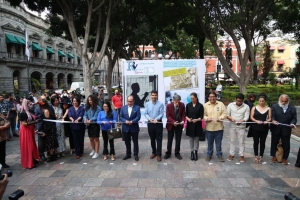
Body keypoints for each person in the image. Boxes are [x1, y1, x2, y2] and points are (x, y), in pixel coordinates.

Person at [270, 94, 297, 165]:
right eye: (282, 101)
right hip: (276, 127)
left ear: (288, 101)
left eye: (285, 101)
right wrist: (273, 120)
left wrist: (292, 123)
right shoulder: (275, 107)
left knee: (286, 143)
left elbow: (294, 118)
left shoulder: (292, 108)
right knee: (274, 142)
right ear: (279, 100)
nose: (283, 103)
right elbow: (272, 116)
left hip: (286, 128)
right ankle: (274, 156)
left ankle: (285, 158)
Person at [204, 92, 227, 162]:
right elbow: (203, 115)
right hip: (209, 128)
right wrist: (207, 118)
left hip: (219, 127)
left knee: (218, 143)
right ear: (208, 98)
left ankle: (219, 155)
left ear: (216, 97)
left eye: (213, 96)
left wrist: (221, 118)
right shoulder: (205, 105)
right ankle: (209, 155)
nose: (212, 98)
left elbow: (225, 113)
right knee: (209, 143)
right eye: (210, 97)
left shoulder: (221, 104)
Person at [226, 93, 250, 163]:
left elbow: (246, 117)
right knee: (232, 141)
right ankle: (231, 154)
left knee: (241, 142)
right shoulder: (230, 105)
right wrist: (231, 118)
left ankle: (241, 155)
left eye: (240, 101)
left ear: (243, 101)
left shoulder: (246, 107)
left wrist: (241, 121)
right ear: (235, 99)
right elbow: (227, 115)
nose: (239, 102)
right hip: (232, 126)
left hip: (241, 126)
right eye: (238, 101)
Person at [250, 95, 272, 164]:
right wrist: (256, 121)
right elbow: (251, 117)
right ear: (258, 101)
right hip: (255, 127)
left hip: (264, 128)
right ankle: (256, 155)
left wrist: (267, 121)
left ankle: (261, 156)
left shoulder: (268, 108)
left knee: (262, 142)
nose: (261, 102)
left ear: (265, 101)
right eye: (260, 101)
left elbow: (270, 118)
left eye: (263, 101)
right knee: (256, 142)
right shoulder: (254, 108)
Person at [19, 98, 40, 169]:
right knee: (28, 146)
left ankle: (33, 159)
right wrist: (35, 122)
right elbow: (24, 124)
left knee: (32, 145)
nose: (30, 105)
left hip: (30, 130)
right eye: (28, 104)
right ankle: (29, 162)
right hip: (25, 131)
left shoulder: (29, 111)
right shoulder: (22, 113)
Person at [164, 94, 186, 160]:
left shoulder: (182, 105)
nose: (177, 103)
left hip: (179, 125)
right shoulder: (168, 106)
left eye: (178, 101)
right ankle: (168, 153)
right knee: (170, 139)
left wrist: (182, 120)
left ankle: (177, 153)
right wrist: (173, 122)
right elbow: (168, 116)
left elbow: (183, 114)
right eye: (176, 101)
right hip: (171, 124)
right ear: (173, 100)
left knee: (178, 139)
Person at [145, 90, 164, 162]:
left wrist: (156, 119)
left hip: (158, 123)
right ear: (151, 96)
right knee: (152, 139)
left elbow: (161, 114)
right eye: (152, 95)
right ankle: (154, 152)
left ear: (157, 96)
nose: (154, 96)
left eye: (155, 95)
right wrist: (150, 119)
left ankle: (159, 154)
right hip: (150, 124)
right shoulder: (147, 104)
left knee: (159, 140)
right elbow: (145, 113)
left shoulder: (161, 104)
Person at [120, 95, 141, 161]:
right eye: (128, 101)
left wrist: (132, 121)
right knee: (127, 142)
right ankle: (128, 154)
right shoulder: (123, 108)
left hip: (134, 127)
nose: (129, 103)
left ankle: (136, 154)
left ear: (133, 101)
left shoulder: (137, 108)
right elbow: (120, 117)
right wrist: (125, 121)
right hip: (125, 128)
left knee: (135, 142)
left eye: (131, 101)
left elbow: (138, 117)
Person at [35, 95, 55, 161]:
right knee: (41, 143)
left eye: (44, 100)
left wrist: (46, 131)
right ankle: (42, 155)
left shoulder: (48, 108)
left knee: (49, 142)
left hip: (48, 127)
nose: (43, 102)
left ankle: (51, 155)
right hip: (41, 127)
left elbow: (51, 118)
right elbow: (37, 118)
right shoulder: (37, 108)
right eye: (42, 100)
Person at [185, 93, 204, 161]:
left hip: (197, 124)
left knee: (196, 139)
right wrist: (188, 119)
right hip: (190, 124)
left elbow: (201, 116)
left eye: (193, 98)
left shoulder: (200, 105)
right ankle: (191, 152)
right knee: (191, 139)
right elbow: (185, 115)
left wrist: (197, 119)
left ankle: (196, 152)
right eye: (191, 98)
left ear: (196, 98)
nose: (192, 99)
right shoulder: (188, 105)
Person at [83, 95, 101, 159]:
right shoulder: (87, 107)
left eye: (91, 100)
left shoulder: (98, 108)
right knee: (91, 139)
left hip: (95, 125)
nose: (90, 101)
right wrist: (85, 119)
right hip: (89, 125)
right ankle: (93, 150)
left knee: (96, 139)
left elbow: (96, 116)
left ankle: (96, 152)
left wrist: (90, 120)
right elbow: (84, 115)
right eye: (89, 100)